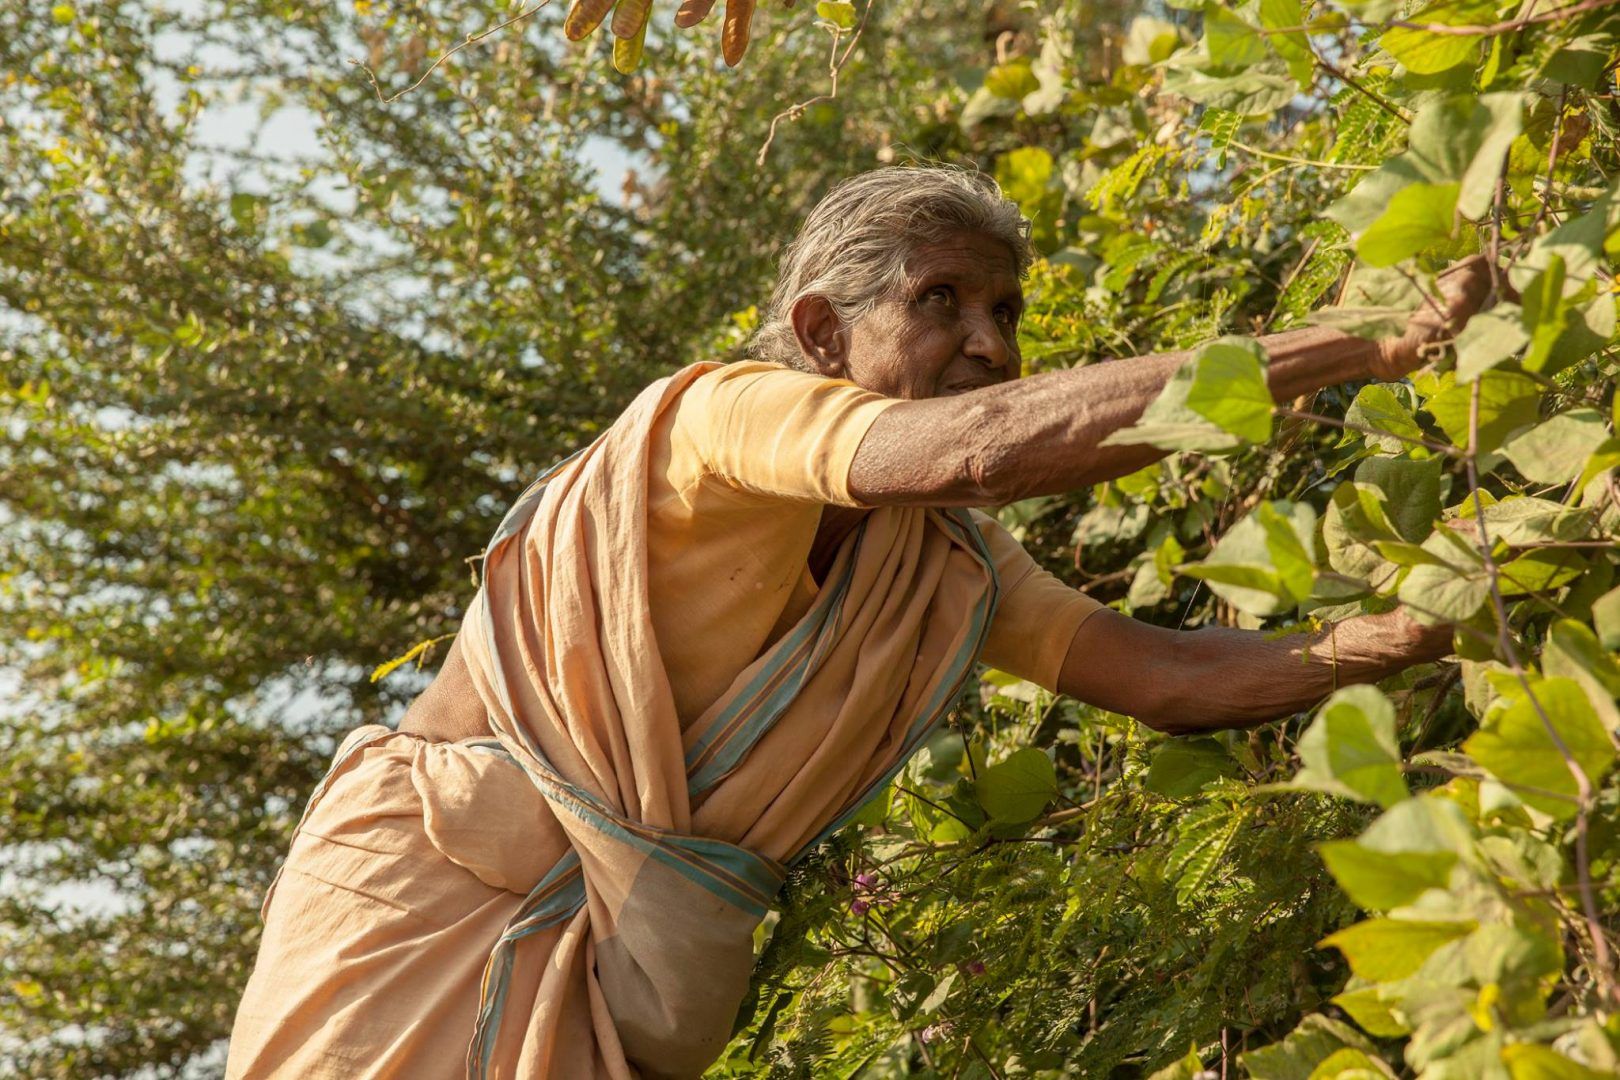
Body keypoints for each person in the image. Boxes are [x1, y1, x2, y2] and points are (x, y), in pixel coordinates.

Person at [226, 165, 1491, 1079]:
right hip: (428, 900)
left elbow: (1159, 674)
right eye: (942, 302)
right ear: (824, 333)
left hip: (615, 977)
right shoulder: (725, 420)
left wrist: (1426, 623)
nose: (988, 346)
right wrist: (1362, 345)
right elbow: (986, 448)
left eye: (1005, 312)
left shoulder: (938, 564)